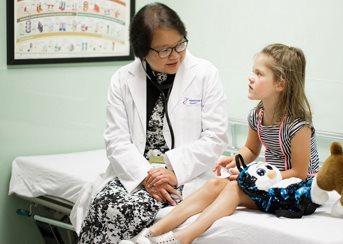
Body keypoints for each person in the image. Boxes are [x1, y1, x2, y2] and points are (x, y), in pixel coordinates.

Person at [125, 43, 320, 244]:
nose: (251, 77)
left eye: (260, 74)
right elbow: (252, 149)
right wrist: (235, 160)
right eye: (253, 72)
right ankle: (149, 234)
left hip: (300, 193)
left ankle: (182, 238)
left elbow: (299, 173)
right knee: (214, 184)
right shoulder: (258, 115)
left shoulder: (298, 125)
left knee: (233, 189)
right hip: (271, 182)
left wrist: (252, 176)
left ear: (280, 84)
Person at [70, 2, 228, 243]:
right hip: (136, 173)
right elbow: (116, 139)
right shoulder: (122, 79)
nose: (175, 55)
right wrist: (146, 176)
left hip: (183, 174)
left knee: (124, 210)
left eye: (179, 45)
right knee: (104, 204)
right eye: (164, 50)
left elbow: (215, 137)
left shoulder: (205, 73)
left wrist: (172, 173)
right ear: (143, 50)